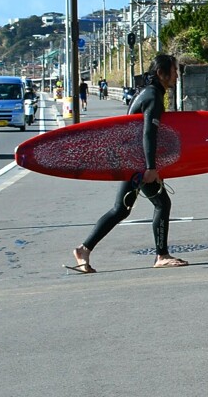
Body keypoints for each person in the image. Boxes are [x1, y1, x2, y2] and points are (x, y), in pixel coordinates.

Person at [70, 54, 188, 272]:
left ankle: (84, 249)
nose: (177, 76)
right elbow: (148, 133)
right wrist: (151, 167)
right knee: (161, 204)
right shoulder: (153, 95)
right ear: (161, 73)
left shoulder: (147, 91)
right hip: (137, 162)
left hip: (130, 159)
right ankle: (161, 255)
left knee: (121, 209)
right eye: (174, 71)